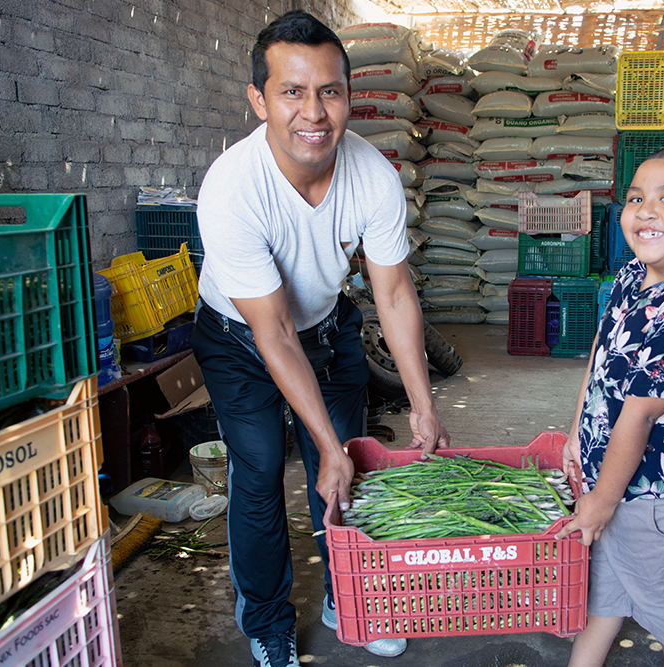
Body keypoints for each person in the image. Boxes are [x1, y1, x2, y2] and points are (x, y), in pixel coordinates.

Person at [190, 10, 450, 667]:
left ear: (348, 96)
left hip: (326, 325)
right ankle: (270, 622)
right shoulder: (230, 190)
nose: (314, 112)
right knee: (257, 474)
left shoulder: (374, 177)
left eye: (330, 91)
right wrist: (324, 444)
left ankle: (351, 596)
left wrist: (421, 401)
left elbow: (391, 294)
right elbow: (271, 329)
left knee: (347, 469)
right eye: (292, 92)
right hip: (241, 338)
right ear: (259, 100)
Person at [555, 146, 664, 667]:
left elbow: (638, 414)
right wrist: (575, 434)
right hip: (607, 481)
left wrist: (600, 504)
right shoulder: (635, 273)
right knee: (602, 601)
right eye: (635, 198)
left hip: (657, 501)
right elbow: (602, 349)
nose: (645, 210)